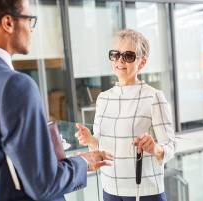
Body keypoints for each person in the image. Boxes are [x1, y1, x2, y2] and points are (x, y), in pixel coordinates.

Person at [0, 0, 112, 201]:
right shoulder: (15, 85)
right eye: (30, 19)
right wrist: (83, 162)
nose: (31, 29)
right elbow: (44, 184)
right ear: (8, 23)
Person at [75, 29, 176, 201]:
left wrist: (154, 148)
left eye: (128, 56)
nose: (120, 60)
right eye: (115, 54)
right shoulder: (103, 98)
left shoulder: (153, 97)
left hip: (145, 192)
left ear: (141, 63)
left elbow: (170, 148)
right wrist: (89, 139)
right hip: (110, 189)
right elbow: (101, 145)